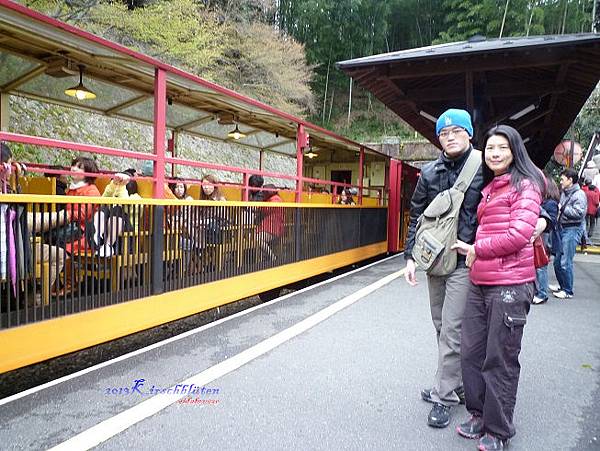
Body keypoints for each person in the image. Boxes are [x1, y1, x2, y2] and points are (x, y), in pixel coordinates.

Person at [453, 124, 544, 450]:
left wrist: (477, 249)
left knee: (500, 359)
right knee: (471, 353)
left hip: (510, 285)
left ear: (514, 150)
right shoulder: (492, 187)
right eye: (490, 148)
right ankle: (478, 413)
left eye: (501, 148)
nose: (494, 153)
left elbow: (520, 234)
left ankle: (498, 430)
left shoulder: (526, 185)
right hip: (481, 282)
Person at [403, 109, 483, 428]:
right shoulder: (429, 172)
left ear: (469, 133)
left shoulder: (484, 166)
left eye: (456, 131)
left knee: (452, 328)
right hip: (435, 261)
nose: (449, 136)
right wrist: (410, 257)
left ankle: (444, 395)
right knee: (440, 324)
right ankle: (454, 382)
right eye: (443, 133)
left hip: (466, 260)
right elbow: (416, 215)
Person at [550, 168, 587, 299]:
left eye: (562, 179)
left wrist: (563, 209)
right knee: (557, 261)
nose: (560, 182)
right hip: (562, 228)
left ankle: (568, 290)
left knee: (565, 261)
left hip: (572, 229)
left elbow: (579, 213)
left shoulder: (579, 194)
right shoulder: (565, 192)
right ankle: (562, 285)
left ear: (570, 180)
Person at [532, 173, 559, 305]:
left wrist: (542, 221)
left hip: (544, 238)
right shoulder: (545, 202)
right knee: (538, 266)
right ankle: (538, 291)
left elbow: (552, 222)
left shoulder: (550, 203)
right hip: (541, 238)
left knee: (540, 266)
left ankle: (541, 293)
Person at [256, 184, 284, 261]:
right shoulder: (273, 198)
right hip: (271, 227)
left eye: (264, 193)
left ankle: (272, 258)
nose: (262, 194)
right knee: (258, 239)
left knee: (258, 239)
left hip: (273, 228)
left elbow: (267, 209)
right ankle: (265, 258)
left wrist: (260, 205)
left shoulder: (276, 199)